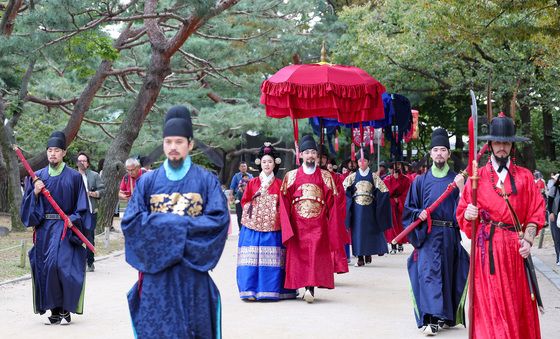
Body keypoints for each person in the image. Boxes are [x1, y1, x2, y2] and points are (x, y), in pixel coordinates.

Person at [121, 105, 230, 338]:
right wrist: (181, 225)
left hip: (193, 271)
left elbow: (218, 222)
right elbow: (131, 222)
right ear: (163, 145)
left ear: (190, 144)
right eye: (168, 141)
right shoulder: (147, 183)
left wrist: (164, 225)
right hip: (156, 273)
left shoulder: (206, 180)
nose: (173, 147)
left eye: (179, 142)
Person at [457, 113, 545, 339]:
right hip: (487, 252)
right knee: (489, 306)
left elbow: (536, 212)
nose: (502, 147)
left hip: (515, 252)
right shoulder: (477, 179)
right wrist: (468, 214)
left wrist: (527, 239)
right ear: (490, 145)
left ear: (512, 145)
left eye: (506, 142)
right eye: (498, 142)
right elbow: (462, 215)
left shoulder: (525, 178)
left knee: (515, 307)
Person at [403, 128, 469, 335]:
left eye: (443, 150)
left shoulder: (457, 180)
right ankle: (430, 319)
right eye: (435, 150)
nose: (439, 153)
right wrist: (418, 215)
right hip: (428, 234)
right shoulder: (420, 181)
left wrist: (461, 189)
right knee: (428, 274)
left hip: (449, 235)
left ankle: (444, 316)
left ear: (448, 154)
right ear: (430, 154)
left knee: (448, 275)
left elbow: (466, 208)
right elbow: (409, 209)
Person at [20, 131, 88, 325]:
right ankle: (56, 309)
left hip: (66, 227)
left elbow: (82, 207)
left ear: (64, 153)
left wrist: (73, 218)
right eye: (50, 150)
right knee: (46, 267)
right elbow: (27, 209)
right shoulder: (37, 177)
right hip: (44, 229)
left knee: (60, 265)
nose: (52, 154)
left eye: (57, 150)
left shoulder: (74, 177)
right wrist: (34, 192)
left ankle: (66, 306)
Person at [279, 134, 342, 303]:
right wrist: (287, 225)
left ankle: (310, 288)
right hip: (297, 223)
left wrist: (331, 225)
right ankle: (302, 286)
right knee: (299, 256)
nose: (310, 155)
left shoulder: (326, 176)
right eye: (307, 152)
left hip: (318, 223)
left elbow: (332, 203)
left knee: (315, 255)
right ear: (300, 155)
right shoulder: (290, 176)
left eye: (313, 152)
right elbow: (284, 202)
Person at [236, 143, 297, 301]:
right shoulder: (252, 183)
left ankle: (272, 290)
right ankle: (250, 290)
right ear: (259, 164)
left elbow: (284, 206)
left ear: (275, 163)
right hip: (253, 226)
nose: (267, 164)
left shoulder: (279, 184)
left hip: (273, 227)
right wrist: (257, 210)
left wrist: (273, 213)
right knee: (251, 257)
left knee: (273, 259)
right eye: (264, 162)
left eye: (270, 161)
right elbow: (244, 202)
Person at [344, 151, 392, 266]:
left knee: (369, 231)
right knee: (358, 232)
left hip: (370, 209)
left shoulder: (374, 177)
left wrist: (378, 202)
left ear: (368, 162)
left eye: (364, 160)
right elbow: (344, 191)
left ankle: (368, 253)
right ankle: (360, 257)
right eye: (360, 161)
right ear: (357, 162)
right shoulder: (352, 177)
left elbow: (384, 191)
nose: (362, 163)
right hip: (357, 209)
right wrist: (349, 199)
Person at [76, 151, 105, 272]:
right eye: (80, 161)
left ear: (88, 163)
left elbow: (103, 190)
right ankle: (77, 262)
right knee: (75, 236)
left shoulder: (94, 175)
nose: (82, 163)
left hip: (90, 210)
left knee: (89, 236)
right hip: (76, 211)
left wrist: (93, 193)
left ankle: (90, 262)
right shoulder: (72, 175)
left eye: (84, 161)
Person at [384, 160, 411, 253]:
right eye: (396, 165)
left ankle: (400, 244)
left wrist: (399, 200)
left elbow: (407, 193)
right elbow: (387, 193)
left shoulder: (406, 179)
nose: (397, 167)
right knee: (392, 226)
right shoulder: (387, 179)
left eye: (399, 165)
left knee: (400, 225)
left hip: (401, 205)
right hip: (391, 205)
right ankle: (393, 245)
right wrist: (395, 180)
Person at [230, 161, 253, 230]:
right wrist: (231, 195)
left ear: (247, 167)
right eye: (242, 166)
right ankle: (241, 229)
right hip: (239, 197)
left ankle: (248, 228)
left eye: (245, 166)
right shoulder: (236, 176)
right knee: (239, 213)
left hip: (248, 197)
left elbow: (253, 186)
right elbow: (232, 186)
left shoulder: (250, 176)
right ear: (239, 168)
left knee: (248, 213)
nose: (243, 168)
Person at [547, 173, 560, 266]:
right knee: (557, 237)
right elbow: (550, 202)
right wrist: (551, 212)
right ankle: (558, 256)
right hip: (555, 216)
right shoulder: (554, 189)